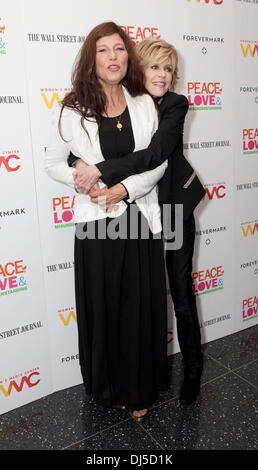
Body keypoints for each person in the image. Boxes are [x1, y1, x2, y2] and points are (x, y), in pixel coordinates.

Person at [68, 38, 206, 406]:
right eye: (155, 66)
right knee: (132, 293)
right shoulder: (118, 102)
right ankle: (126, 375)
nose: (162, 75)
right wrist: (78, 166)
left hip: (172, 207)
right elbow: (74, 148)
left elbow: (157, 154)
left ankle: (193, 371)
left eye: (169, 68)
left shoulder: (175, 105)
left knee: (179, 289)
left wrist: (103, 171)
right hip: (136, 214)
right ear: (138, 69)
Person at [44, 23, 169, 421]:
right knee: (104, 305)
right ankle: (107, 387)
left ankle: (138, 389)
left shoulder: (144, 104)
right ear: (91, 59)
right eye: (103, 50)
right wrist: (81, 174)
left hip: (139, 219)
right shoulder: (72, 108)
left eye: (119, 49)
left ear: (128, 58)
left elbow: (158, 162)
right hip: (97, 224)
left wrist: (123, 190)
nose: (113, 57)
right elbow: (52, 163)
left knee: (138, 305)